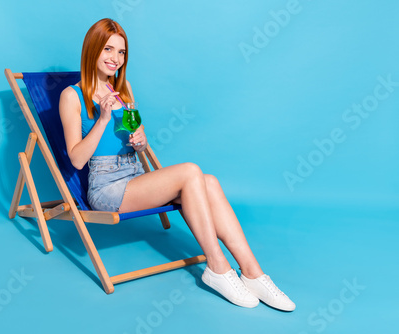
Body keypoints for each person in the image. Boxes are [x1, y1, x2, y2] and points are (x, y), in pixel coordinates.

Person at [59, 18, 296, 311]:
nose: (115, 59)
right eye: (108, 49)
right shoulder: (72, 96)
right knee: (190, 172)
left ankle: (253, 272)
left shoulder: (123, 88)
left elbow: (133, 137)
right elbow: (77, 159)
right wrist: (103, 120)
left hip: (134, 173)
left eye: (121, 53)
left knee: (209, 182)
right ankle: (218, 267)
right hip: (107, 188)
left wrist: (141, 141)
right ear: (92, 48)